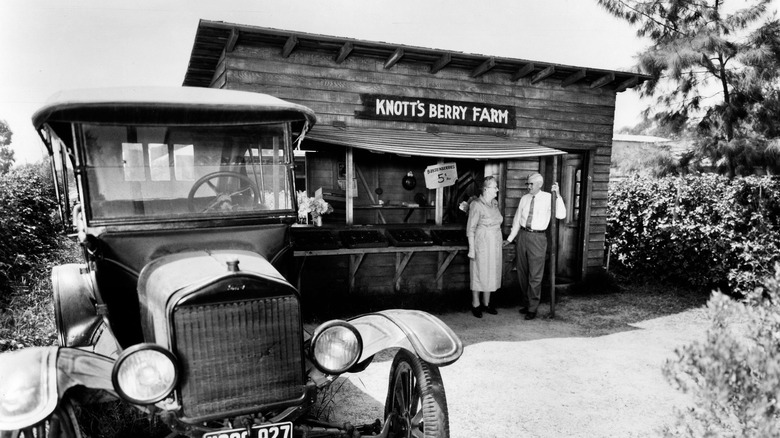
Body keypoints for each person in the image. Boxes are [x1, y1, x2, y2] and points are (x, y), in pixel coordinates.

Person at [504, 172, 566, 320]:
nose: (528, 186)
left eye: (531, 184)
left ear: (539, 184)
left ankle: (533, 308)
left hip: (538, 238)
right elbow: (517, 219)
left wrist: (557, 195)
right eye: (528, 184)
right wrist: (511, 238)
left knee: (535, 275)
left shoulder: (548, 197)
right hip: (523, 236)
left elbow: (562, 215)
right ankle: (526, 303)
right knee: (522, 272)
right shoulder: (524, 198)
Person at [466, 176, 503, 318]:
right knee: (479, 272)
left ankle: (487, 303)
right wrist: (471, 249)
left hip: (494, 244)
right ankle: (475, 304)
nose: (497, 189)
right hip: (481, 243)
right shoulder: (476, 205)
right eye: (495, 187)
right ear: (486, 189)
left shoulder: (494, 203)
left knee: (491, 272)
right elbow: (471, 229)